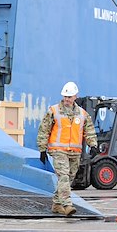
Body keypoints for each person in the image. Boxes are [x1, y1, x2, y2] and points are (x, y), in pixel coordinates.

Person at [37, 81, 97, 216]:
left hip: (75, 152)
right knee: (63, 176)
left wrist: (93, 145)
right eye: (65, 96)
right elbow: (44, 130)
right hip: (58, 150)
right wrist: (42, 149)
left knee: (69, 178)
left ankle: (57, 204)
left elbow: (89, 130)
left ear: (75, 96)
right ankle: (67, 204)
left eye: (69, 97)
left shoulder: (82, 114)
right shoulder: (54, 111)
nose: (67, 99)